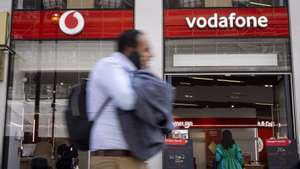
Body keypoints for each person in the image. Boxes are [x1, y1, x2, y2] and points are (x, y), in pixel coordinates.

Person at [87, 30, 152, 169]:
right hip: (113, 160)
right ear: (130, 50)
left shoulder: (130, 73)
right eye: (145, 50)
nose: (150, 55)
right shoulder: (110, 65)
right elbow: (126, 100)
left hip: (131, 158)